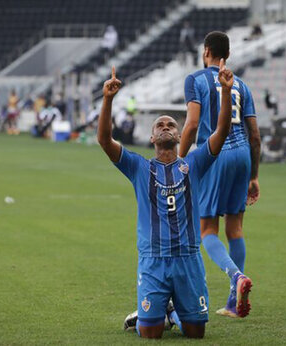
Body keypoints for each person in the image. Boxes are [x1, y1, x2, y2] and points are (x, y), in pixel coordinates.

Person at [100, 61, 234, 339]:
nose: (165, 127)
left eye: (171, 124)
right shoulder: (138, 167)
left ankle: (172, 312)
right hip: (153, 260)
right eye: (159, 125)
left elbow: (220, 134)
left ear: (178, 134)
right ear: (151, 137)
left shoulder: (193, 163)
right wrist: (108, 100)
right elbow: (104, 140)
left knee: (196, 333)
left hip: (188, 258)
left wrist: (225, 92)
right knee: (150, 333)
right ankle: (152, 314)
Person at [179, 31, 261, 318]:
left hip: (214, 153)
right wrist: (254, 175)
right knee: (235, 229)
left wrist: (178, 161)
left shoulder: (196, 80)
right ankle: (232, 303)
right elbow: (255, 136)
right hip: (242, 157)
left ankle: (236, 276)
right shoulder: (241, 84)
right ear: (227, 54)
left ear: (206, 52)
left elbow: (190, 125)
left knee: (207, 230)